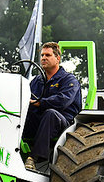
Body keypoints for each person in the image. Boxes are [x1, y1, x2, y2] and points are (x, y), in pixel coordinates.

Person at [22, 42, 82, 170]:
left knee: (50, 114)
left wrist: (39, 102)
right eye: (42, 55)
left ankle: (33, 158)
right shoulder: (36, 81)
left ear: (58, 59)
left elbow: (62, 101)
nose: (43, 58)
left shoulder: (69, 80)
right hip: (39, 120)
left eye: (48, 55)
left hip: (63, 123)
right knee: (24, 113)